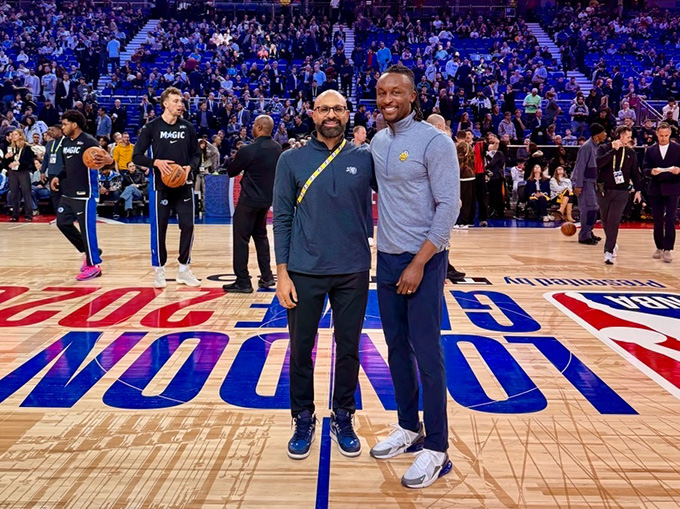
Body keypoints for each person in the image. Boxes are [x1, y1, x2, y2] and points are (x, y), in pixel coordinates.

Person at [369, 65, 459, 489]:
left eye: (396, 93)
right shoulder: (377, 140)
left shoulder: (434, 141)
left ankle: (437, 448)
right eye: (382, 93)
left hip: (423, 259)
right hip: (386, 259)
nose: (388, 100)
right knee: (395, 349)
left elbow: (448, 208)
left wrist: (420, 262)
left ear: (413, 96)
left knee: (428, 352)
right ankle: (409, 427)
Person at [273, 90, 374, 460]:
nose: (331, 115)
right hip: (303, 271)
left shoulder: (366, 158)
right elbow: (281, 218)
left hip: (352, 269)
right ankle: (303, 417)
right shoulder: (291, 159)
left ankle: (343, 415)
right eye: (324, 109)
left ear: (348, 115)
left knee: (348, 349)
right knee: (301, 350)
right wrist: (281, 273)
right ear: (312, 114)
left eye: (338, 109)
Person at [132, 87, 202, 288]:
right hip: (160, 186)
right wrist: (156, 163)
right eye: (176, 101)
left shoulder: (187, 127)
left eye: (181, 101)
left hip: (184, 184)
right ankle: (159, 271)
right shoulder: (152, 127)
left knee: (188, 226)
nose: (181, 105)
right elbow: (136, 156)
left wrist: (190, 167)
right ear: (165, 103)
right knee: (159, 228)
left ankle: (184, 269)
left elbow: (197, 154)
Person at [51, 110, 112, 280]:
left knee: (87, 230)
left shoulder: (88, 141)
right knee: (62, 223)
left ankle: (94, 266)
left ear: (74, 124)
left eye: (65, 124)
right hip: (68, 192)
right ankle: (89, 251)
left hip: (85, 194)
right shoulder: (65, 142)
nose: (62, 127)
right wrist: (58, 177)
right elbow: (68, 167)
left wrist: (110, 161)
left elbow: (107, 159)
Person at [224, 115, 282, 293]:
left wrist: (229, 160)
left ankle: (243, 281)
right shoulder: (277, 148)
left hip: (248, 201)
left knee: (241, 239)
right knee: (261, 237)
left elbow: (231, 172)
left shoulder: (248, 150)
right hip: (266, 201)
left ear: (258, 127)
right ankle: (266, 277)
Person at [426, 114, 466, 282]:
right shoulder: (438, 143)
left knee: (440, 236)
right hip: (436, 200)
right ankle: (442, 269)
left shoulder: (423, 143)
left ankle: (445, 267)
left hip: (432, 199)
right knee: (439, 235)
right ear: (440, 127)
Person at [596, 126, 643, 264]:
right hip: (604, 189)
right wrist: (613, 151)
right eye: (628, 137)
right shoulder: (604, 148)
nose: (630, 139)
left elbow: (635, 173)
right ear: (620, 136)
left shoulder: (631, 153)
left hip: (622, 191)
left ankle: (608, 251)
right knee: (605, 219)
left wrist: (638, 190)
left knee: (614, 220)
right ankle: (612, 242)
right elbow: (598, 164)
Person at [642, 122, 680, 262]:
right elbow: (644, 168)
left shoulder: (677, 149)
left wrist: (679, 170)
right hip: (656, 189)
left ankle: (668, 249)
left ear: (670, 134)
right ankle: (659, 246)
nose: (663, 138)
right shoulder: (651, 150)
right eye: (661, 135)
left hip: (673, 188)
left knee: (670, 219)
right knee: (657, 220)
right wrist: (651, 171)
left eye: (666, 135)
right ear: (657, 134)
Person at [572, 123, 607, 245]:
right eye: (604, 132)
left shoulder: (596, 146)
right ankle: (584, 236)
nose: (606, 134)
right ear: (597, 134)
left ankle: (589, 231)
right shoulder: (586, 147)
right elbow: (580, 167)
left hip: (592, 182)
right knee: (588, 209)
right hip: (585, 182)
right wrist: (578, 185)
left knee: (593, 208)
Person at [40, 125, 65, 213]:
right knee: (54, 195)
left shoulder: (66, 142)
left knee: (64, 195)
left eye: (52, 130)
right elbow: (46, 158)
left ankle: (65, 215)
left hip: (63, 173)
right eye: (49, 130)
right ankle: (58, 215)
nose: (50, 131)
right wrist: (42, 172)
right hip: (52, 172)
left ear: (60, 130)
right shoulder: (50, 143)